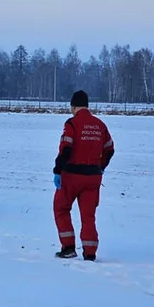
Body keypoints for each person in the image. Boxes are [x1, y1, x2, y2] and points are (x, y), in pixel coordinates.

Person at [52, 90, 115, 260]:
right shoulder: (100, 125)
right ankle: (90, 253)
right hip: (93, 177)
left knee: (61, 208)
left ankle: (68, 248)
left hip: (71, 176)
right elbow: (110, 149)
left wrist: (57, 170)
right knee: (88, 216)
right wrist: (100, 167)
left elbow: (66, 149)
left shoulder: (71, 124)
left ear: (73, 106)